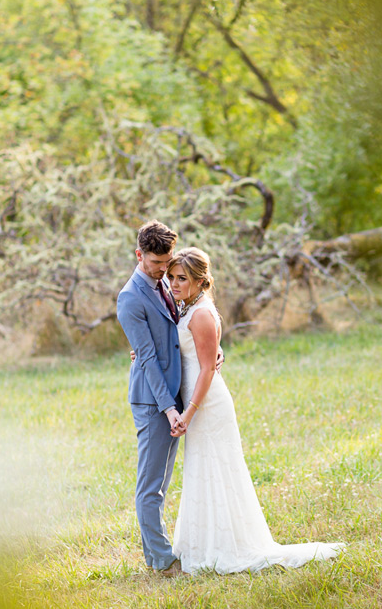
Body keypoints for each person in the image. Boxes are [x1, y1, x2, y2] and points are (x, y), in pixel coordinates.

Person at [162, 247, 344, 574]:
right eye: (172, 277)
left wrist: (188, 413)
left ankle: (226, 548)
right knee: (202, 472)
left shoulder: (201, 313)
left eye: (182, 279)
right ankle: (204, 544)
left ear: (201, 282)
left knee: (218, 470)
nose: (174, 284)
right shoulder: (186, 306)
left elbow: (206, 370)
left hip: (206, 404)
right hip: (196, 401)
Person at [115, 220, 187, 577]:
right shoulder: (130, 298)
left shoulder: (165, 284)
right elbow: (146, 358)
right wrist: (169, 408)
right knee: (151, 486)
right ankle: (162, 561)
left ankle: (155, 557)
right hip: (152, 400)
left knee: (161, 481)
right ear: (139, 254)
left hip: (172, 393)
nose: (163, 271)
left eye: (167, 262)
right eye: (157, 263)